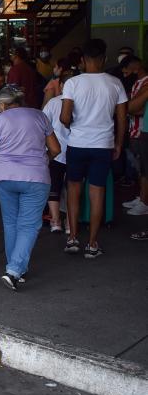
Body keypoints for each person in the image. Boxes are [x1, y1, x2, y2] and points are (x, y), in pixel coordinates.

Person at [0, 86, 60, 291]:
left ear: (2, 104)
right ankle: (15, 270)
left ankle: (15, 268)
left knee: (10, 223)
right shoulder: (40, 117)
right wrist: (42, 162)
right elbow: (55, 149)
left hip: (3, 178)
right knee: (28, 225)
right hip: (36, 178)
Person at [59, 39, 127, 258]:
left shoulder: (73, 83)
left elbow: (65, 117)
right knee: (97, 193)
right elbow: (122, 119)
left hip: (77, 144)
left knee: (73, 191)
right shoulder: (115, 83)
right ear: (104, 59)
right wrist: (117, 144)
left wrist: (73, 126)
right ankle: (92, 244)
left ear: (82, 60)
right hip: (103, 145)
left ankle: (72, 239)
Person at [42, 70, 75, 233]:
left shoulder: (53, 102)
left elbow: (42, 124)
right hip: (77, 150)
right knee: (72, 188)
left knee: (53, 185)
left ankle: (55, 222)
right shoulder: (81, 102)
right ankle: (70, 224)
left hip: (54, 150)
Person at [126, 58, 148, 225]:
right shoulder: (138, 84)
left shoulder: (146, 84)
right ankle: (141, 197)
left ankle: (144, 201)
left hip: (143, 131)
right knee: (141, 168)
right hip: (137, 130)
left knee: (145, 168)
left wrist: (131, 107)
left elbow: (134, 108)